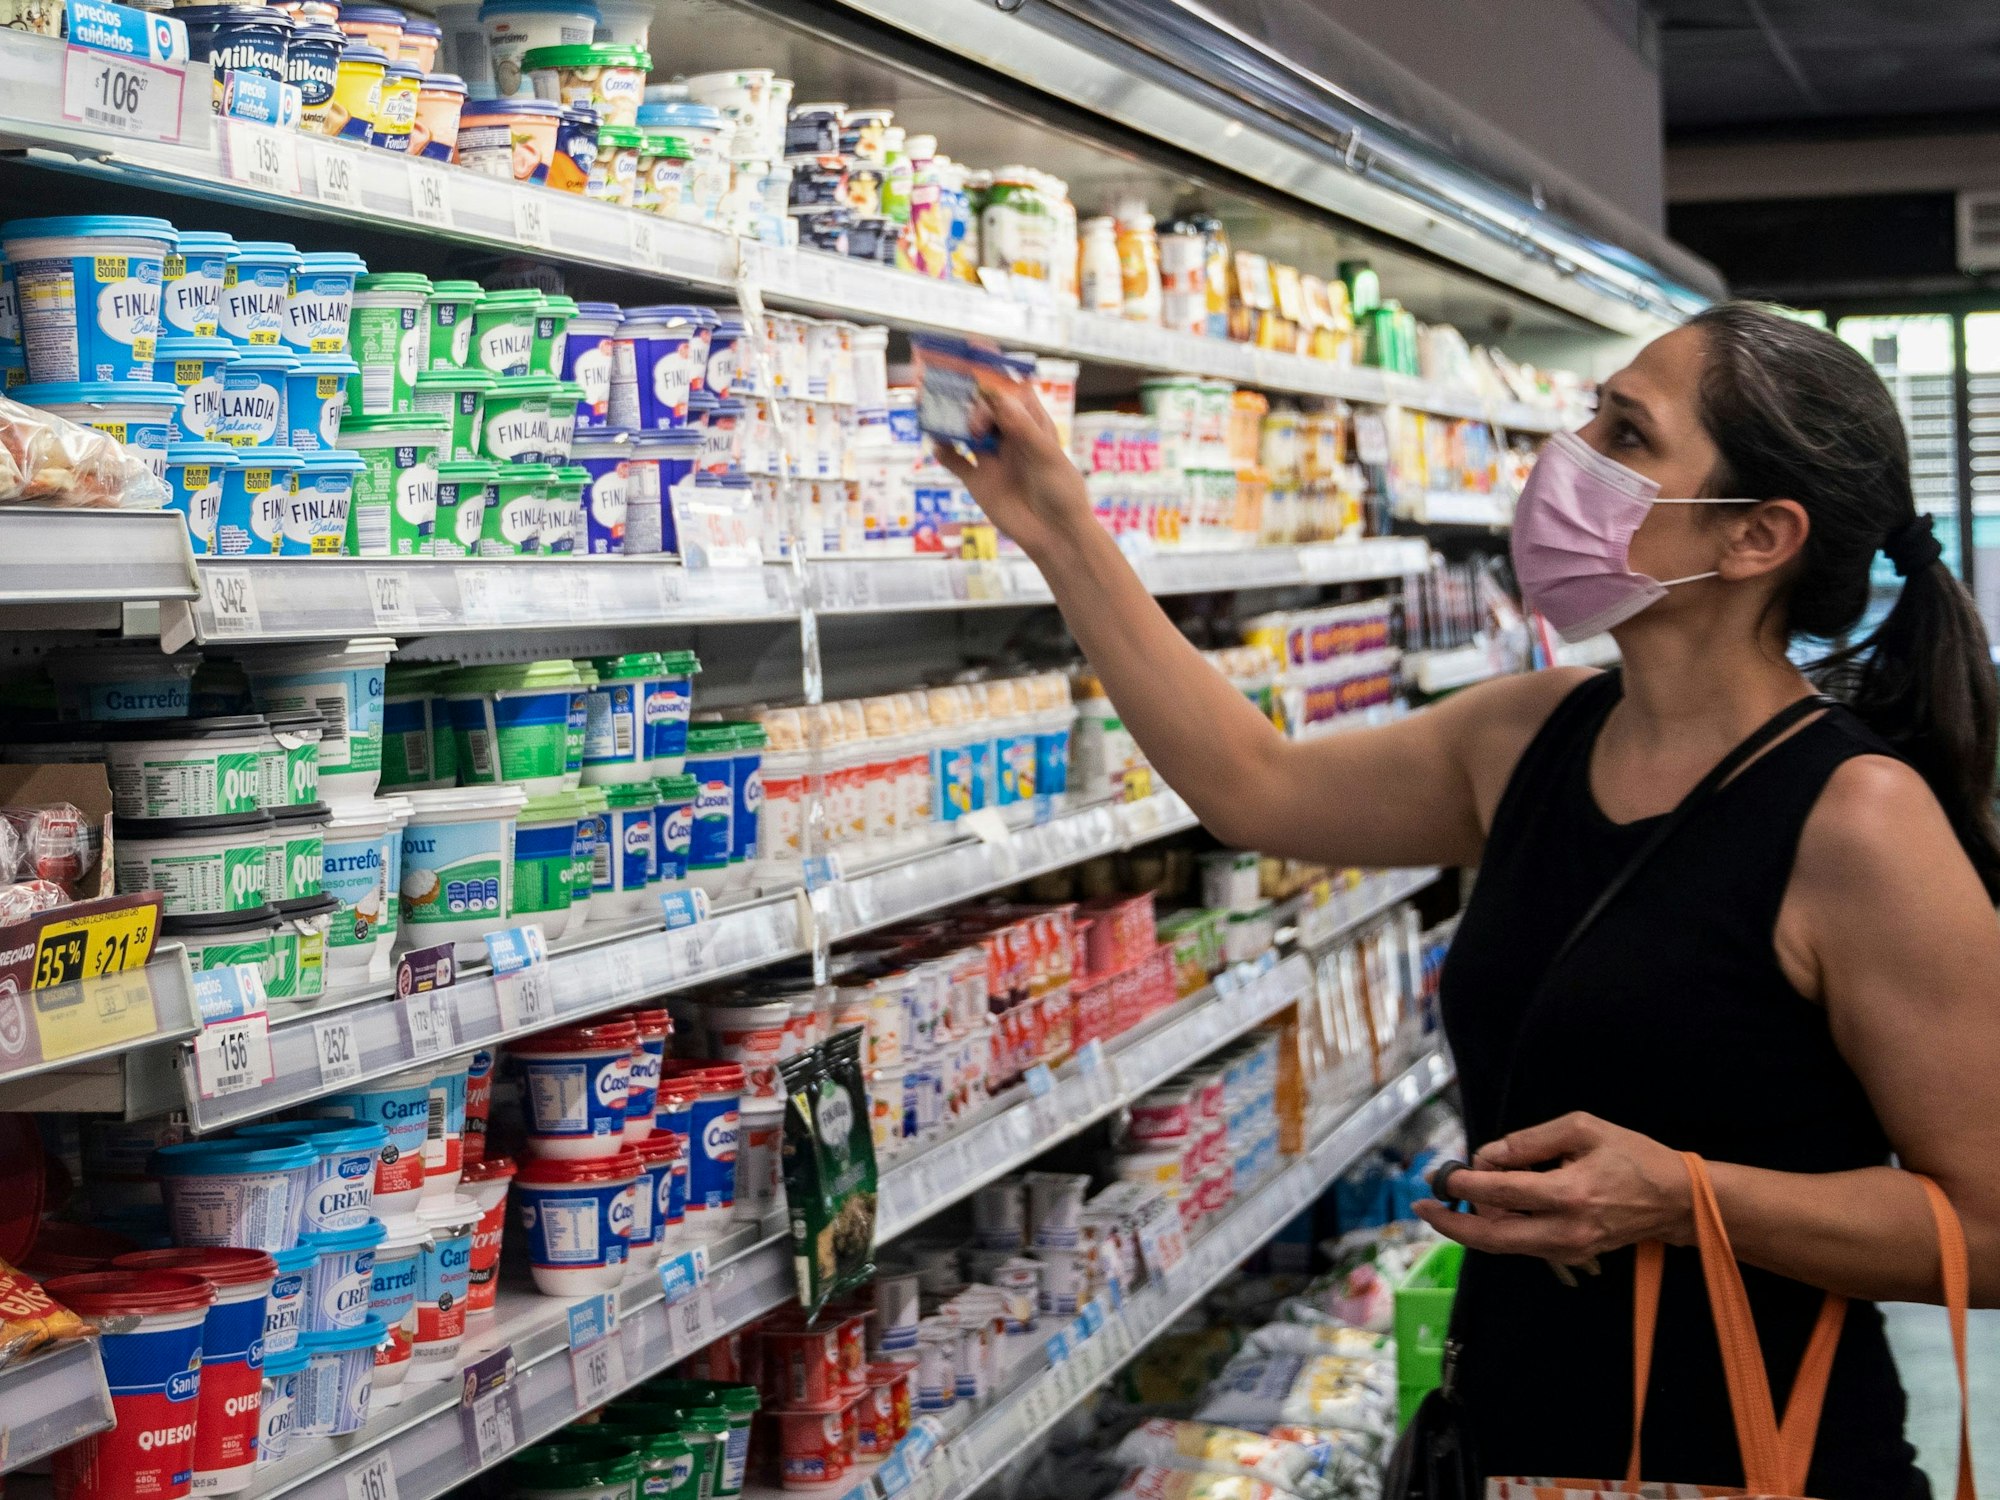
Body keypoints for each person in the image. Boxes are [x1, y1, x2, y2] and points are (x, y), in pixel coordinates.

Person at [933, 301, 2000, 1495]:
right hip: (1505, 1450)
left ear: (1756, 535)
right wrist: (1061, 529)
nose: (1568, 454)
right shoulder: (1531, 733)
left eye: (1626, 434)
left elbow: (1990, 1228)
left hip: (1754, 1462)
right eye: (1590, 415)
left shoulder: (1854, 818)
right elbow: (1252, 786)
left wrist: (1682, 1198)